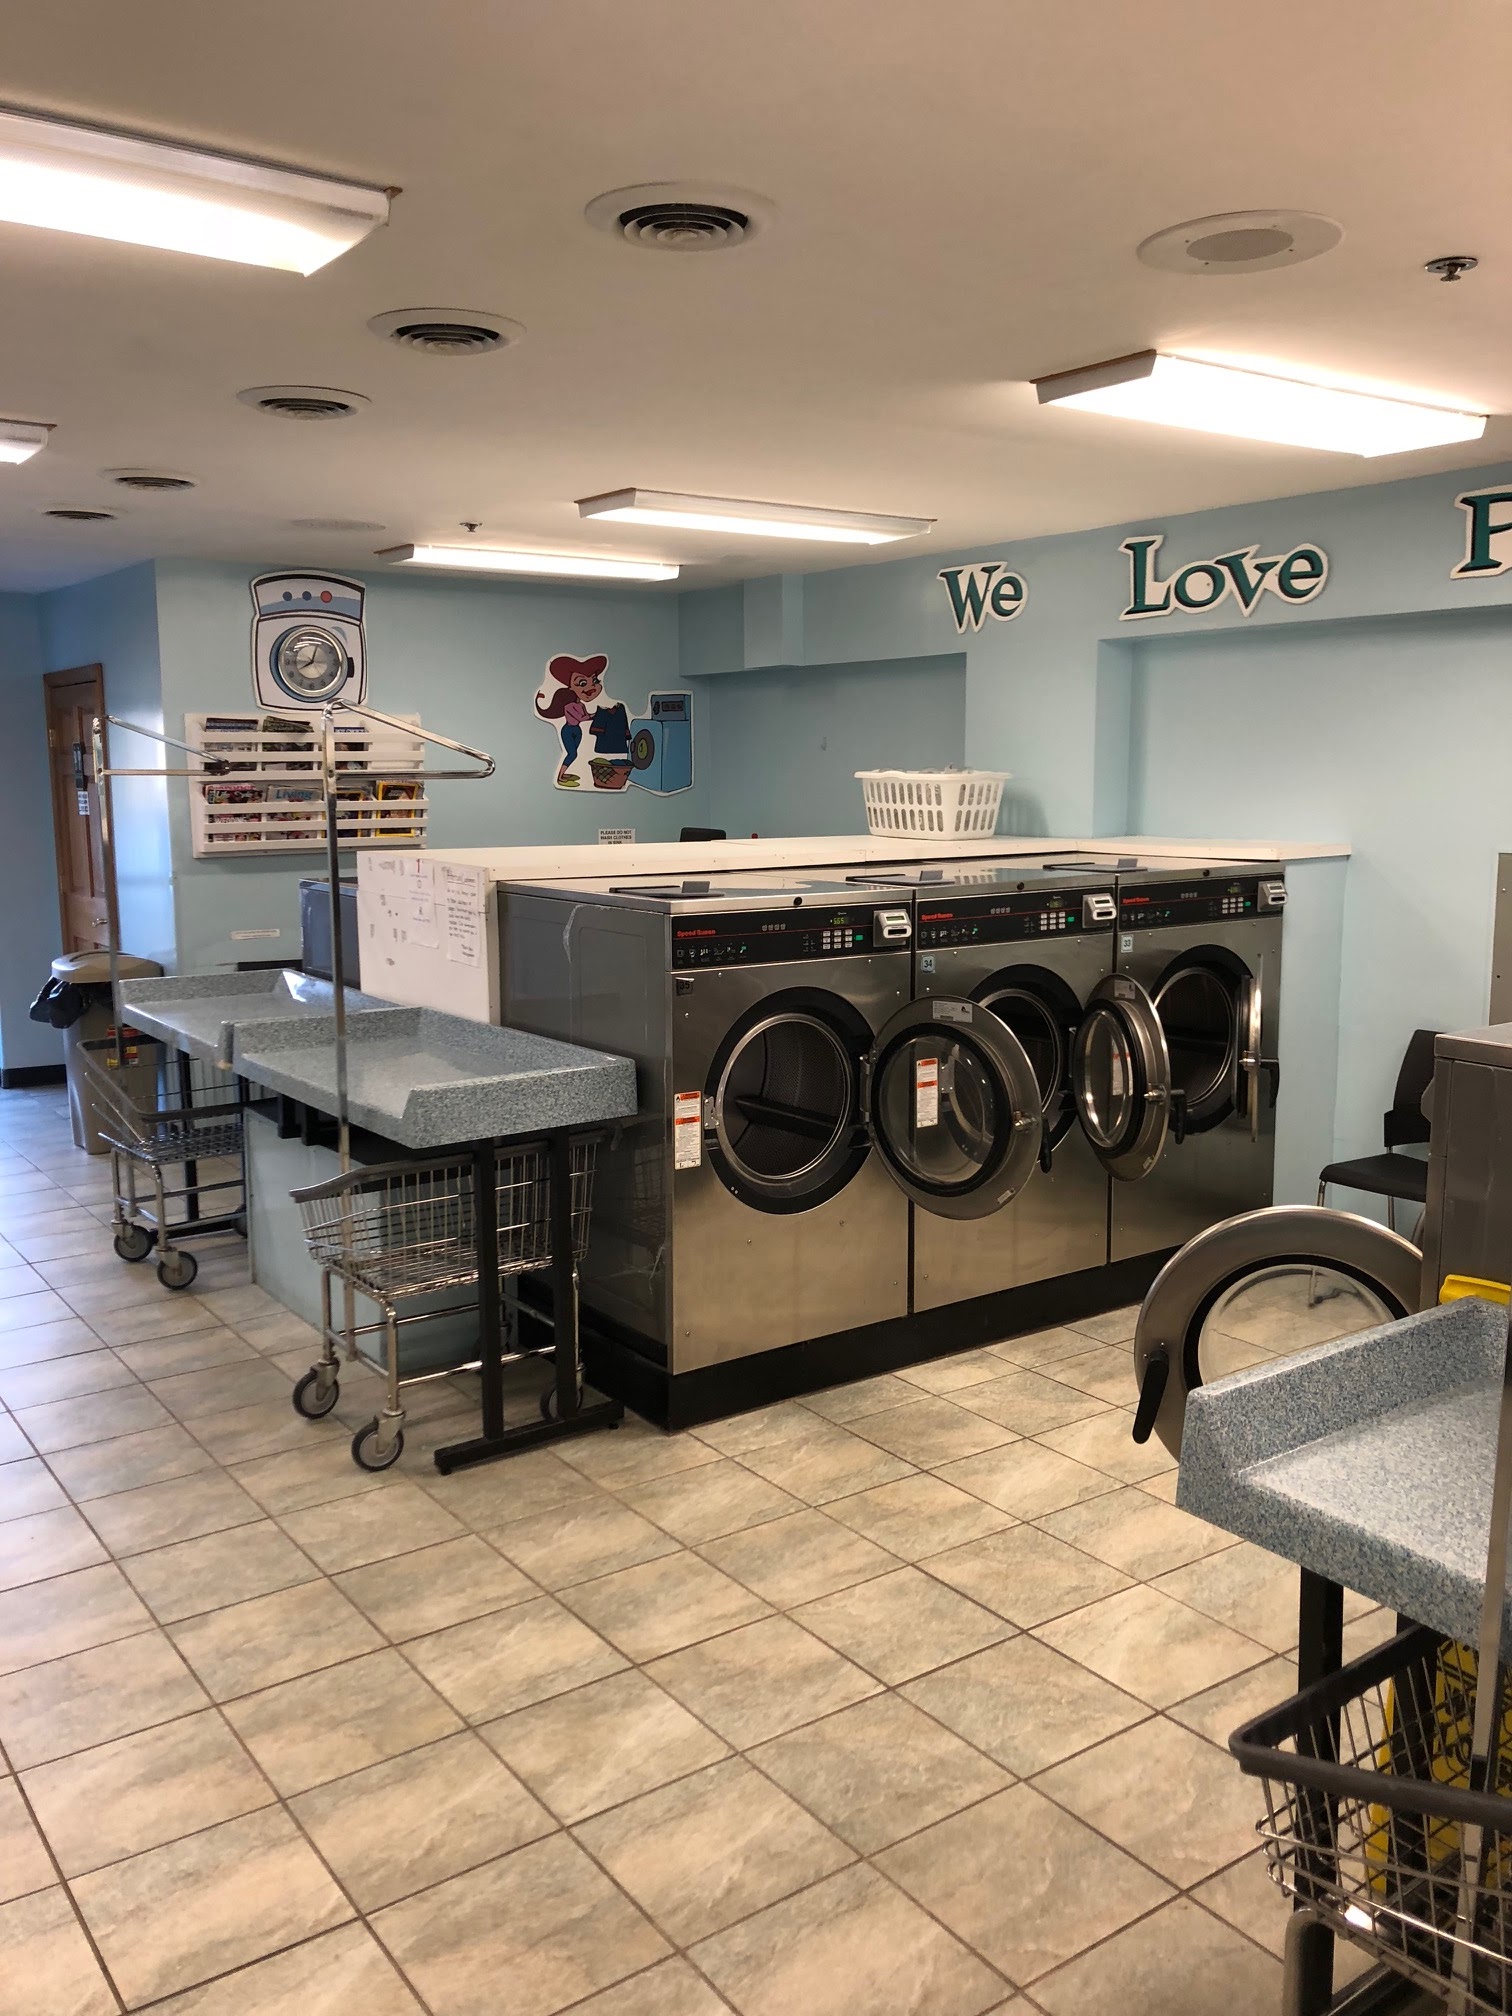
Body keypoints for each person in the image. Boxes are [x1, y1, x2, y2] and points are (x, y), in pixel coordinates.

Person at [534, 653, 606, 787]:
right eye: (582, 683)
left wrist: (598, 714)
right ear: (571, 687)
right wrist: (594, 715)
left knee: (574, 754)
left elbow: (586, 716)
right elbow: (582, 717)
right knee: (572, 754)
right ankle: (560, 777)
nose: (591, 687)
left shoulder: (581, 705)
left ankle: (563, 773)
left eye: (594, 681)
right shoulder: (569, 706)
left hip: (577, 731)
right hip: (568, 730)